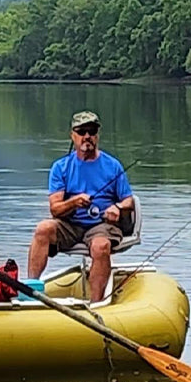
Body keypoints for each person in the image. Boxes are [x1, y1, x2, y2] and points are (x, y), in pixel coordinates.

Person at [27, 110, 133, 302]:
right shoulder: (61, 167)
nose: (87, 137)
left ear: (97, 135)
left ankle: (96, 303)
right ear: (72, 135)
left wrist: (117, 208)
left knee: (101, 246)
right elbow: (55, 209)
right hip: (71, 224)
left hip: (101, 225)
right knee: (43, 229)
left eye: (91, 131)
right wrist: (74, 202)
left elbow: (129, 200)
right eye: (82, 131)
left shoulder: (112, 165)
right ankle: (30, 289)